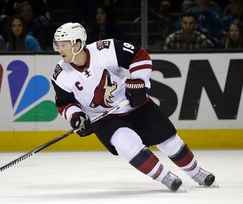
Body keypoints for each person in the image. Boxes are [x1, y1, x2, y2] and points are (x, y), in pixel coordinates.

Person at [51, 22, 216, 192]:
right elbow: (64, 104)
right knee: (125, 144)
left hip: (132, 103)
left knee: (168, 140)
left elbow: (139, 54)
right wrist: (77, 117)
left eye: (64, 44)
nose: (59, 49)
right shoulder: (60, 75)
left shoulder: (105, 49)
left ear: (77, 44)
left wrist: (138, 81)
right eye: (58, 45)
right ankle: (165, 177)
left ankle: (196, 172)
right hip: (104, 117)